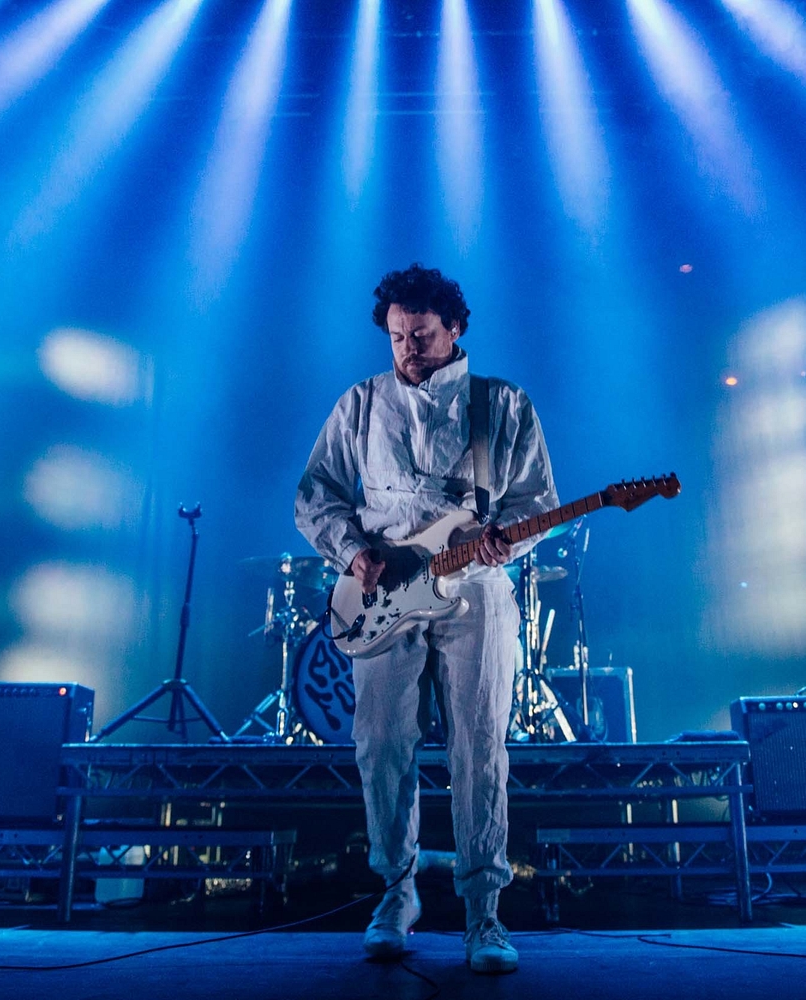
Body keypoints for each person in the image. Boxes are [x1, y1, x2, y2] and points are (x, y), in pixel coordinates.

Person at [295, 264, 558, 974]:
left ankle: (484, 915)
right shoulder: (360, 404)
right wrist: (353, 554)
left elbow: (535, 498)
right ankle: (396, 892)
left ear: (456, 329)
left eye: (421, 335)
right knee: (380, 745)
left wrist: (512, 534)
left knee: (480, 748)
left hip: (475, 592)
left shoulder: (501, 404)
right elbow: (316, 492)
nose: (407, 349)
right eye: (397, 337)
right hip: (383, 598)